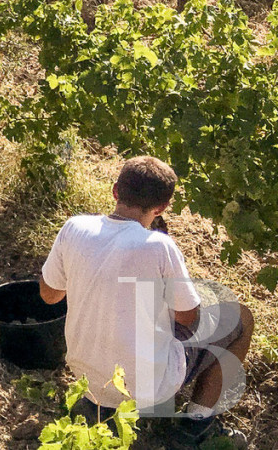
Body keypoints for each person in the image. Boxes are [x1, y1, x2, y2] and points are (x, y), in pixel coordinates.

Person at [40, 157, 253, 446]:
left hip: (86, 378)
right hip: (147, 388)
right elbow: (187, 318)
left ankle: (97, 409)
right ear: (162, 207)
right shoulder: (159, 246)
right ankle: (196, 427)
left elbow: (49, 295)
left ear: (115, 190)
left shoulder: (74, 228)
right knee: (241, 318)